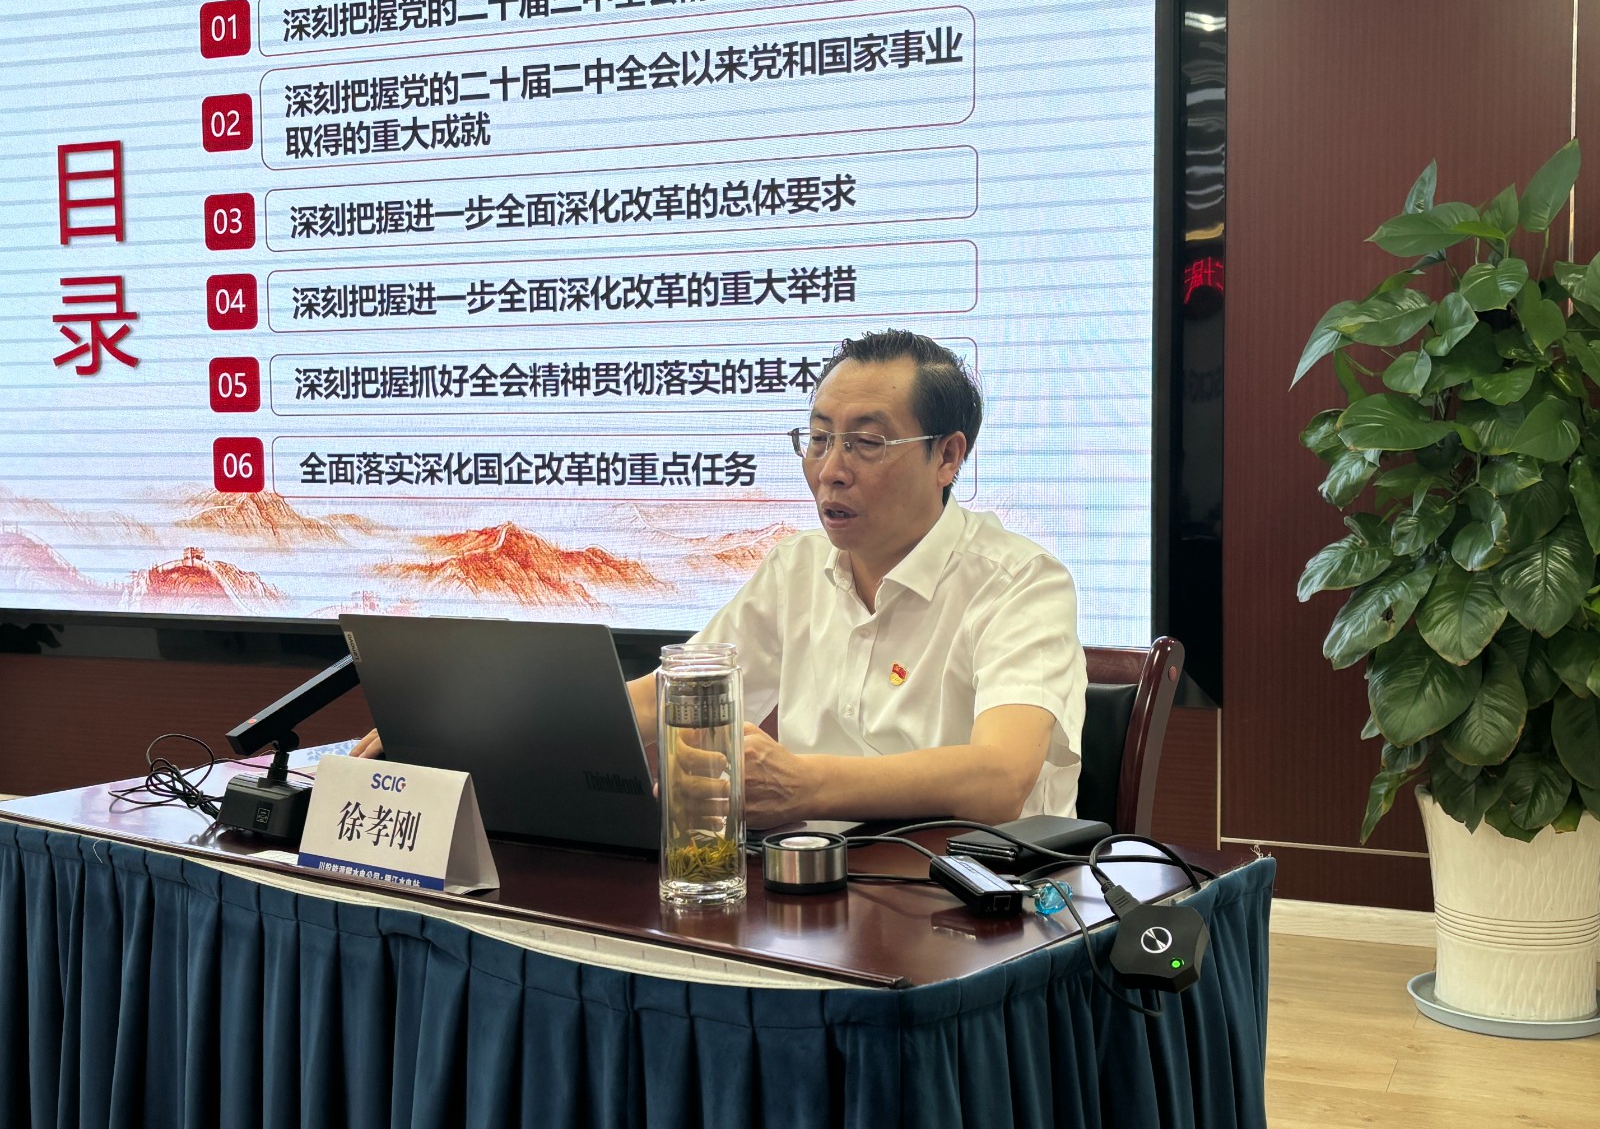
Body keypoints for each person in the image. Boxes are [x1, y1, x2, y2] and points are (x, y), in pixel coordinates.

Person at [356, 329, 1086, 827]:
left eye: (866, 443)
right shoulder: (797, 567)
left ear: (948, 456)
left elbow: (1001, 778)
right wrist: (459, 732)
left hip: (976, 914)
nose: (830, 470)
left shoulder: (1020, 582)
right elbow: (669, 696)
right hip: (819, 891)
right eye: (818, 439)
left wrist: (806, 787)